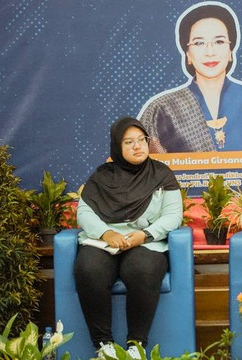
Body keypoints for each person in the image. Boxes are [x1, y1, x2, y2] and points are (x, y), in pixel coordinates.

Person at [74, 117, 183, 359]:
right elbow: (84, 211)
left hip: (146, 241)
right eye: (129, 142)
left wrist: (144, 235)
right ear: (117, 147)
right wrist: (107, 233)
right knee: (88, 268)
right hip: (103, 241)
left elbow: (173, 216)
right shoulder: (102, 176)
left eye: (142, 140)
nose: (137, 146)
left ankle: (136, 345)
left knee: (142, 268)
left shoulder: (162, 174)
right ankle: (104, 346)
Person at [138, 1, 242, 153]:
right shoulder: (162, 108)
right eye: (199, 43)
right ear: (188, 54)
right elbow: (146, 165)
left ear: (231, 51)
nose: (210, 52)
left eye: (219, 41)